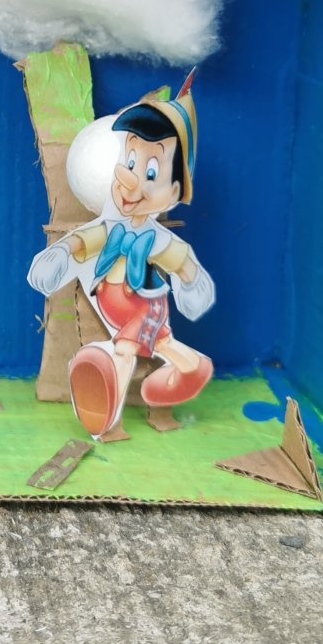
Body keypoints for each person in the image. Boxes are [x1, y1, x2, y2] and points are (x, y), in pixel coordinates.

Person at [27, 76, 215, 439]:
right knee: (164, 345)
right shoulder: (110, 229)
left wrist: (193, 281)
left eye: (150, 172)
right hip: (121, 308)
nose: (128, 179)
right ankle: (191, 369)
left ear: (174, 191)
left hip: (142, 308)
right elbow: (85, 240)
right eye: (129, 161)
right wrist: (62, 252)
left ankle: (106, 408)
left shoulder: (157, 239)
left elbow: (182, 263)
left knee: (125, 349)